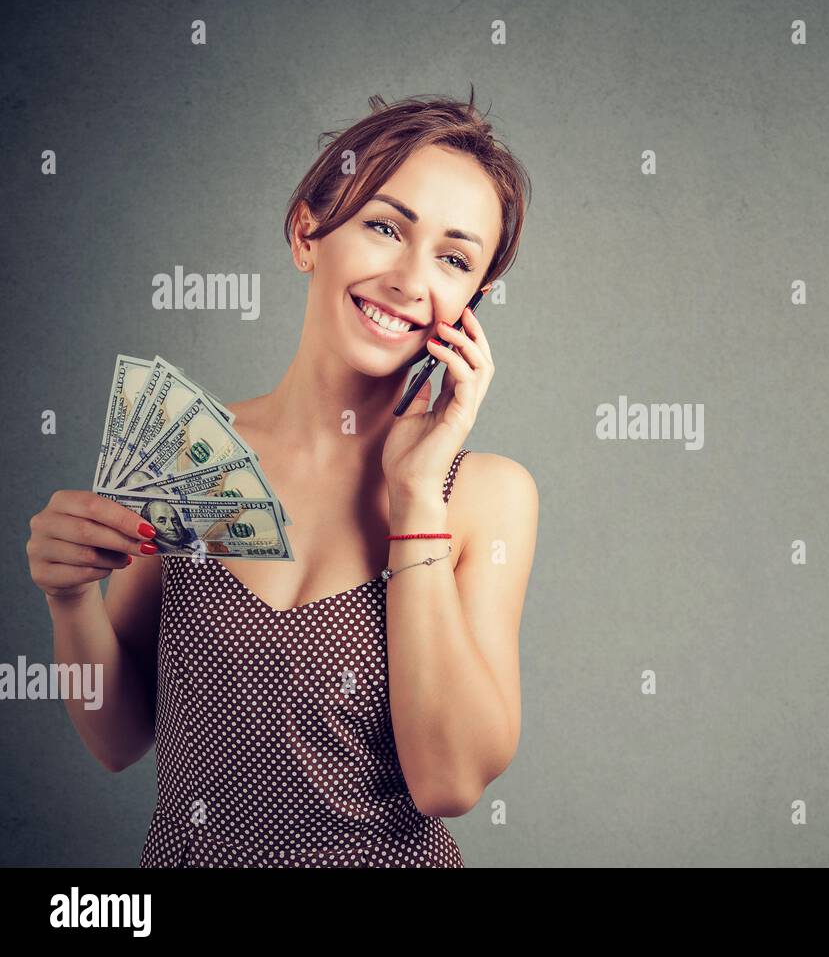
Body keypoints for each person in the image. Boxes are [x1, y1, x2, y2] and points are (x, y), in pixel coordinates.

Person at [26, 90, 539, 867]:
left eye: (453, 258)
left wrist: (413, 494)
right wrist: (69, 601)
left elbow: (449, 781)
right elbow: (120, 737)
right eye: (384, 225)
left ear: (472, 303)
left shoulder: (485, 495)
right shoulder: (185, 452)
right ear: (308, 232)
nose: (407, 277)